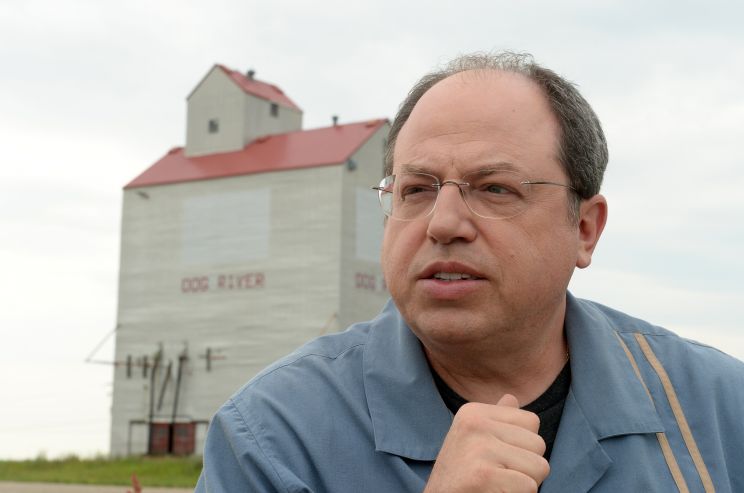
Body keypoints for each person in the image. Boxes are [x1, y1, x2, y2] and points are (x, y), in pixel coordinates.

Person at [195, 52, 744, 492]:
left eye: (494, 188)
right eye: (416, 190)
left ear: (584, 228)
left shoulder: (719, 410)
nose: (443, 223)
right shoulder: (273, 437)